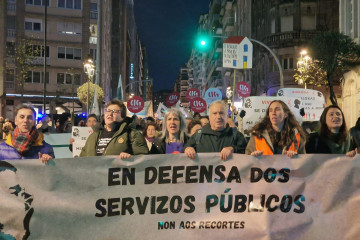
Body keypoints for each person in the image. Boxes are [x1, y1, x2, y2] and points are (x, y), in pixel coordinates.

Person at [80, 99, 148, 158]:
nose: (110, 114)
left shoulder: (133, 135)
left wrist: (131, 158)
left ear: (123, 117)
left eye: (115, 112)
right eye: (108, 110)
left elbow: (143, 160)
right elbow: (82, 161)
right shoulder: (93, 136)